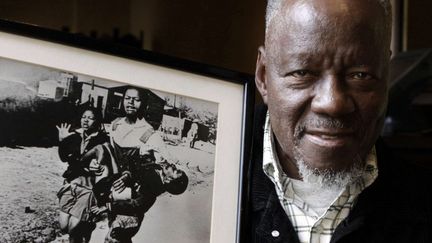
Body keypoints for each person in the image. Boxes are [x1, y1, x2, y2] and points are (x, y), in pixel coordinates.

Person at [247, 0, 432, 243]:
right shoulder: (204, 176)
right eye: (302, 72)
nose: (332, 103)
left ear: (386, 75)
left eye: (359, 75)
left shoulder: (422, 205)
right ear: (263, 75)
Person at [83, 86, 183, 242]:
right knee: (117, 234)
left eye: (136, 100)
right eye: (127, 98)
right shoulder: (115, 125)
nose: (131, 103)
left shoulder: (151, 134)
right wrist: (95, 164)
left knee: (116, 237)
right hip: (111, 189)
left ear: (143, 104)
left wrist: (131, 179)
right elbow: (108, 154)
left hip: (132, 195)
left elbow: (161, 167)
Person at [56, 107, 108, 243]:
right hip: (71, 184)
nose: (86, 120)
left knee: (74, 228)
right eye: (84, 117)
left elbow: (105, 161)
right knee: (63, 226)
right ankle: (86, 227)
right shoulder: (74, 136)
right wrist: (62, 141)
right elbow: (63, 157)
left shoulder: (102, 139)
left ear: (97, 121)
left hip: (88, 188)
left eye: (90, 118)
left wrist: (97, 167)